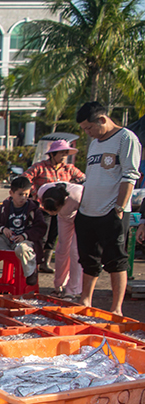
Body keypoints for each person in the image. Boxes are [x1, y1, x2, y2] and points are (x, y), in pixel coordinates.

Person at [75, 101, 141, 314]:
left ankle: (116, 308)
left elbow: (130, 176)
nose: (89, 133)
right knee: (88, 259)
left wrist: (120, 208)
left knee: (115, 259)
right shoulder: (94, 143)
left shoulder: (126, 138)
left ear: (102, 120)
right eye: (85, 129)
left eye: (90, 128)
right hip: (88, 209)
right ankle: (85, 300)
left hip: (111, 210)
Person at [22, 140, 86, 273]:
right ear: (52, 154)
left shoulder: (69, 168)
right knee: (42, 234)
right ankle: (35, 262)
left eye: (65, 153)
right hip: (43, 207)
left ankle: (46, 262)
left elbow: (83, 178)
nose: (64, 156)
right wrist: (35, 193)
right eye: (61, 153)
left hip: (62, 208)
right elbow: (25, 178)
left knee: (54, 235)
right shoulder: (40, 167)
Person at [0, 176, 47, 286]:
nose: (23, 197)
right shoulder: (5, 207)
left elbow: (41, 228)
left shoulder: (33, 209)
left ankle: (31, 273)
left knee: (22, 248)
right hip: (6, 241)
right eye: (20, 194)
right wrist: (2, 229)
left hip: (24, 243)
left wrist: (25, 236)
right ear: (11, 193)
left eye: (26, 194)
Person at [39, 182, 84, 299]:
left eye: (53, 211)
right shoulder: (43, 190)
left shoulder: (77, 196)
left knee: (75, 251)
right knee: (61, 249)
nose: (51, 214)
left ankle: (73, 289)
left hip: (80, 215)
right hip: (64, 218)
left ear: (63, 203)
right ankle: (58, 285)